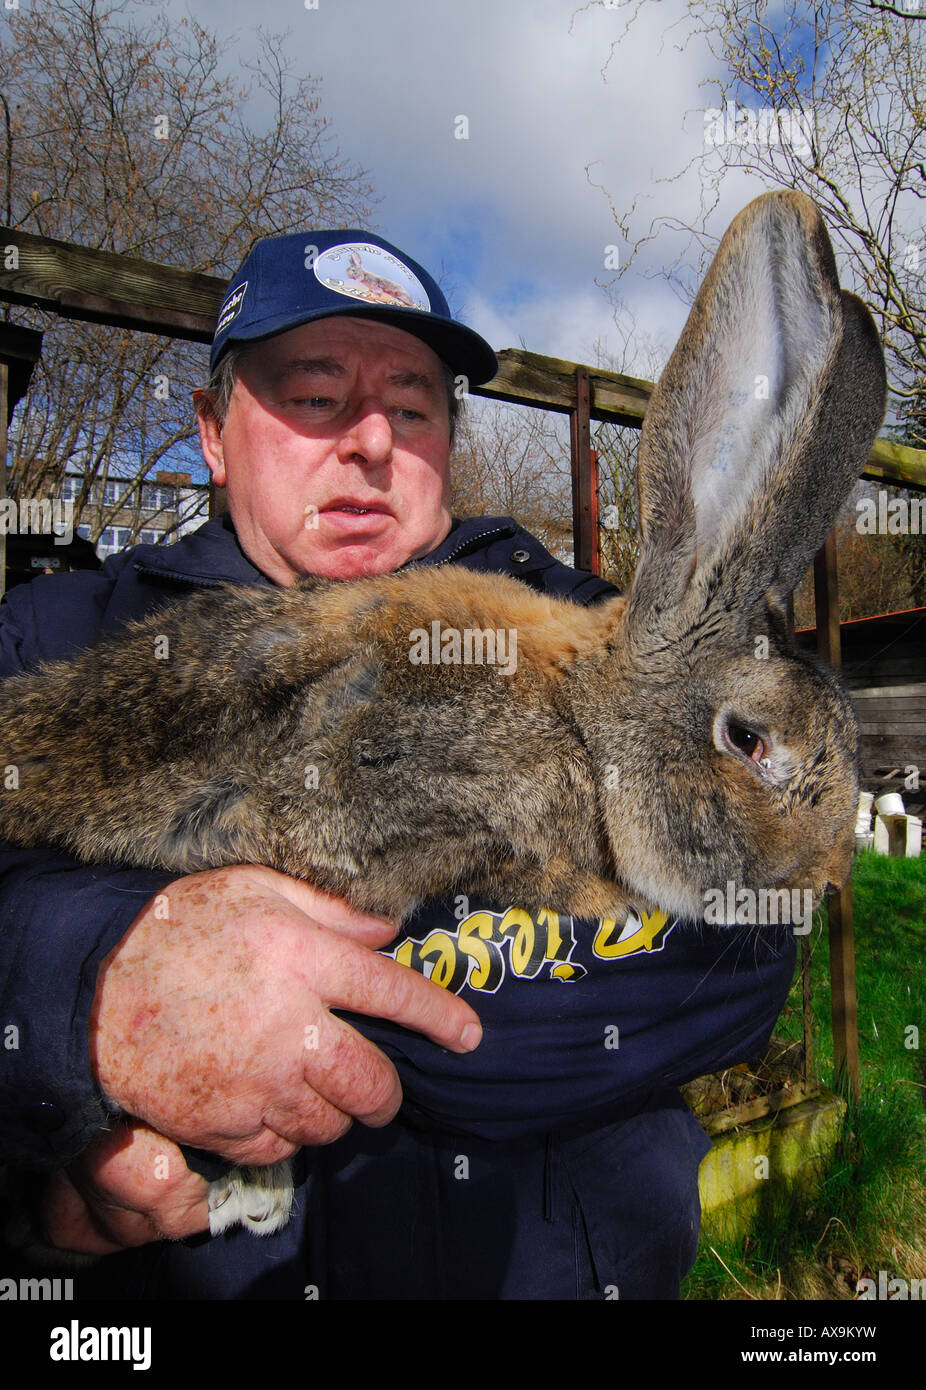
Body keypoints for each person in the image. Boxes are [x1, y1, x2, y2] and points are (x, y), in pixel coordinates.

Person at [0, 230, 796, 1300]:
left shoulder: (590, 634)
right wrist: (94, 988)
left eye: (412, 407)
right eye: (317, 397)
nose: (373, 440)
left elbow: (743, 920)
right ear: (213, 435)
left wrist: (327, 1013)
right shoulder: (56, 633)